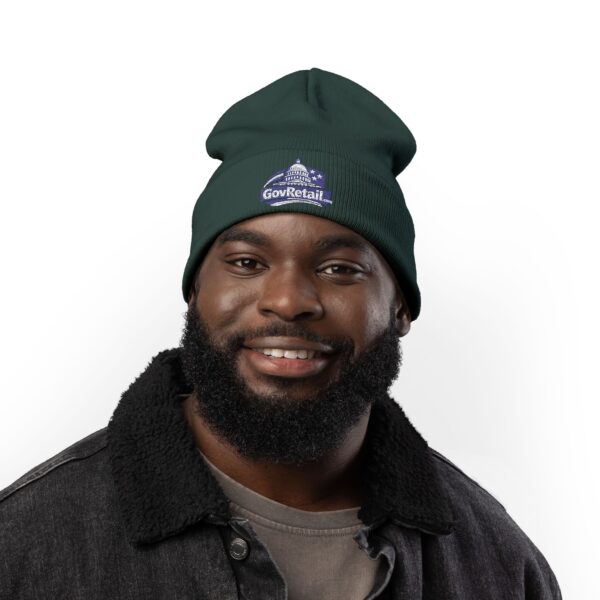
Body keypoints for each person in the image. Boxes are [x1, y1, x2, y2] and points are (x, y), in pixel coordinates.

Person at [0, 67, 562, 599]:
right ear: (195, 290)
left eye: (339, 268)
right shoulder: (25, 546)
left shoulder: (498, 564)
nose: (288, 301)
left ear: (400, 309)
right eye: (247, 263)